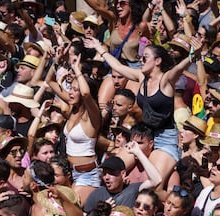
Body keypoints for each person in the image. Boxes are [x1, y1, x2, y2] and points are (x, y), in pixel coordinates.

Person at [85, 36, 203, 190]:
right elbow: (118, 67)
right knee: (111, 170)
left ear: (157, 61)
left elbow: (178, 69)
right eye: (140, 57)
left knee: (152, 185)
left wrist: (193, 55)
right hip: (144, 136)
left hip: (165, 139)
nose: (141, 60)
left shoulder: (165, 80)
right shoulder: (141, 77)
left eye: (145, 57)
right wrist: (99, 48)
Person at [50, 54, 101, 206]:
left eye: (75, 90)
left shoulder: (93, 116)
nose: (70, 93)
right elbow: (50, 81)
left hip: (87, 175)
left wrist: (77, 70)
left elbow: (85, 93)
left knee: (72, 209)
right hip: (70, 172)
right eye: (70, 88)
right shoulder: (73, 108)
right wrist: (55, 61)